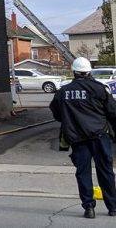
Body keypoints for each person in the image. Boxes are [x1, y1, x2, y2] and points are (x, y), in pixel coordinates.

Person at [50, 57, 116, 219]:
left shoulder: (63, 92)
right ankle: (113, 207)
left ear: (74, 71)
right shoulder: (100, 89)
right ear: (89, 71)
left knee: (83, 172)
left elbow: (57, 114)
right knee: (105, 171)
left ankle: (89, 208)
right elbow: (113, 112)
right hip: (99, 136)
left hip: (77, 138)